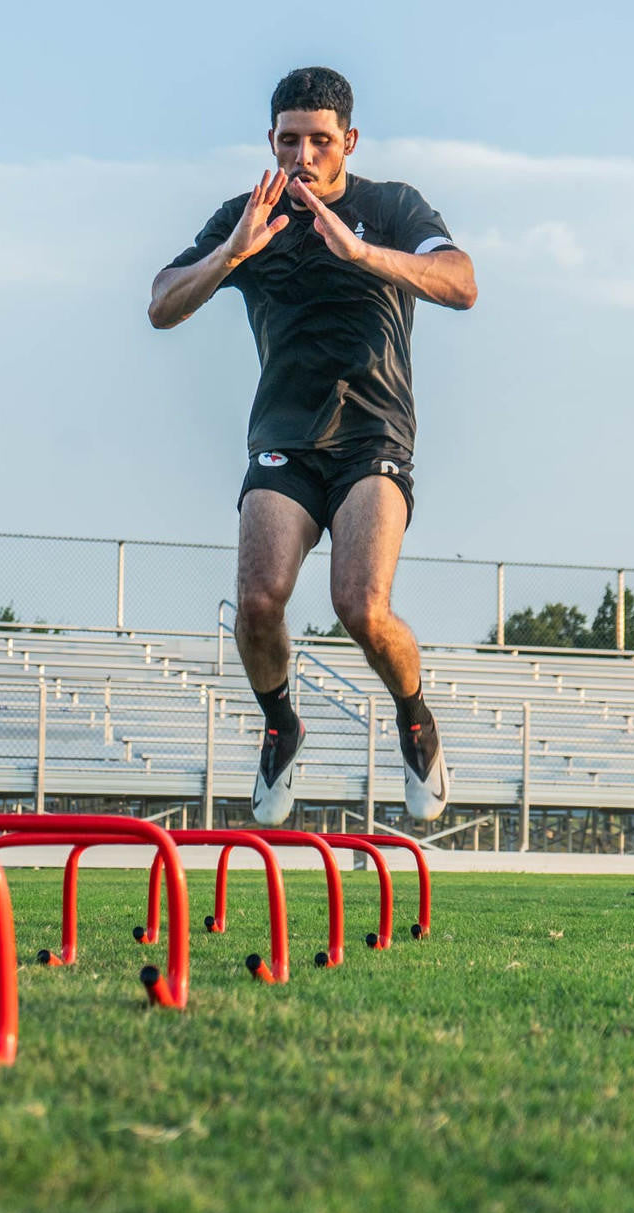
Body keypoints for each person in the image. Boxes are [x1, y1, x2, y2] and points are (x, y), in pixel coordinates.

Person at [148, 66, 476, 825]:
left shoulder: (389, 206)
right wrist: (230, 253)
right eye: (289, 140)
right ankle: (281, 727)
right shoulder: (247, 214)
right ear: (271, 140)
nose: (304, 155)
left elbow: (461, 283)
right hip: (284, 438)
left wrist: (363, 255)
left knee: (360, 604)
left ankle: (416, 720)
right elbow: (162, 304)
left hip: (373, 435)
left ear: (348, 142)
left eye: (320, 142)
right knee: (259, 601)